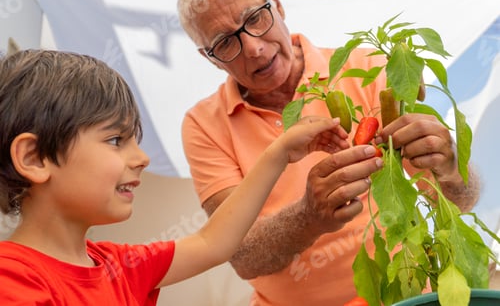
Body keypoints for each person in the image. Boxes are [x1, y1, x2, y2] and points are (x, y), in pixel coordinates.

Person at [176, 0, 481, 305]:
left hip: (402, 295)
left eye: (254, 18)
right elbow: (242, 255)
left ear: (276, 4)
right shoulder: (203, 124)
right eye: (224, 42)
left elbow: (458, 201)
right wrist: (309, 216)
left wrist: (450, 168)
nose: (253, 47)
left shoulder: (369, 67)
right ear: (209, 57)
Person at [0, 49, 353, 305]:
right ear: (33, 158)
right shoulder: (12, 280)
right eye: (114, 140)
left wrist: (279, 154)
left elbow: (212, 243)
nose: (141, 158)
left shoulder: (120, 265)